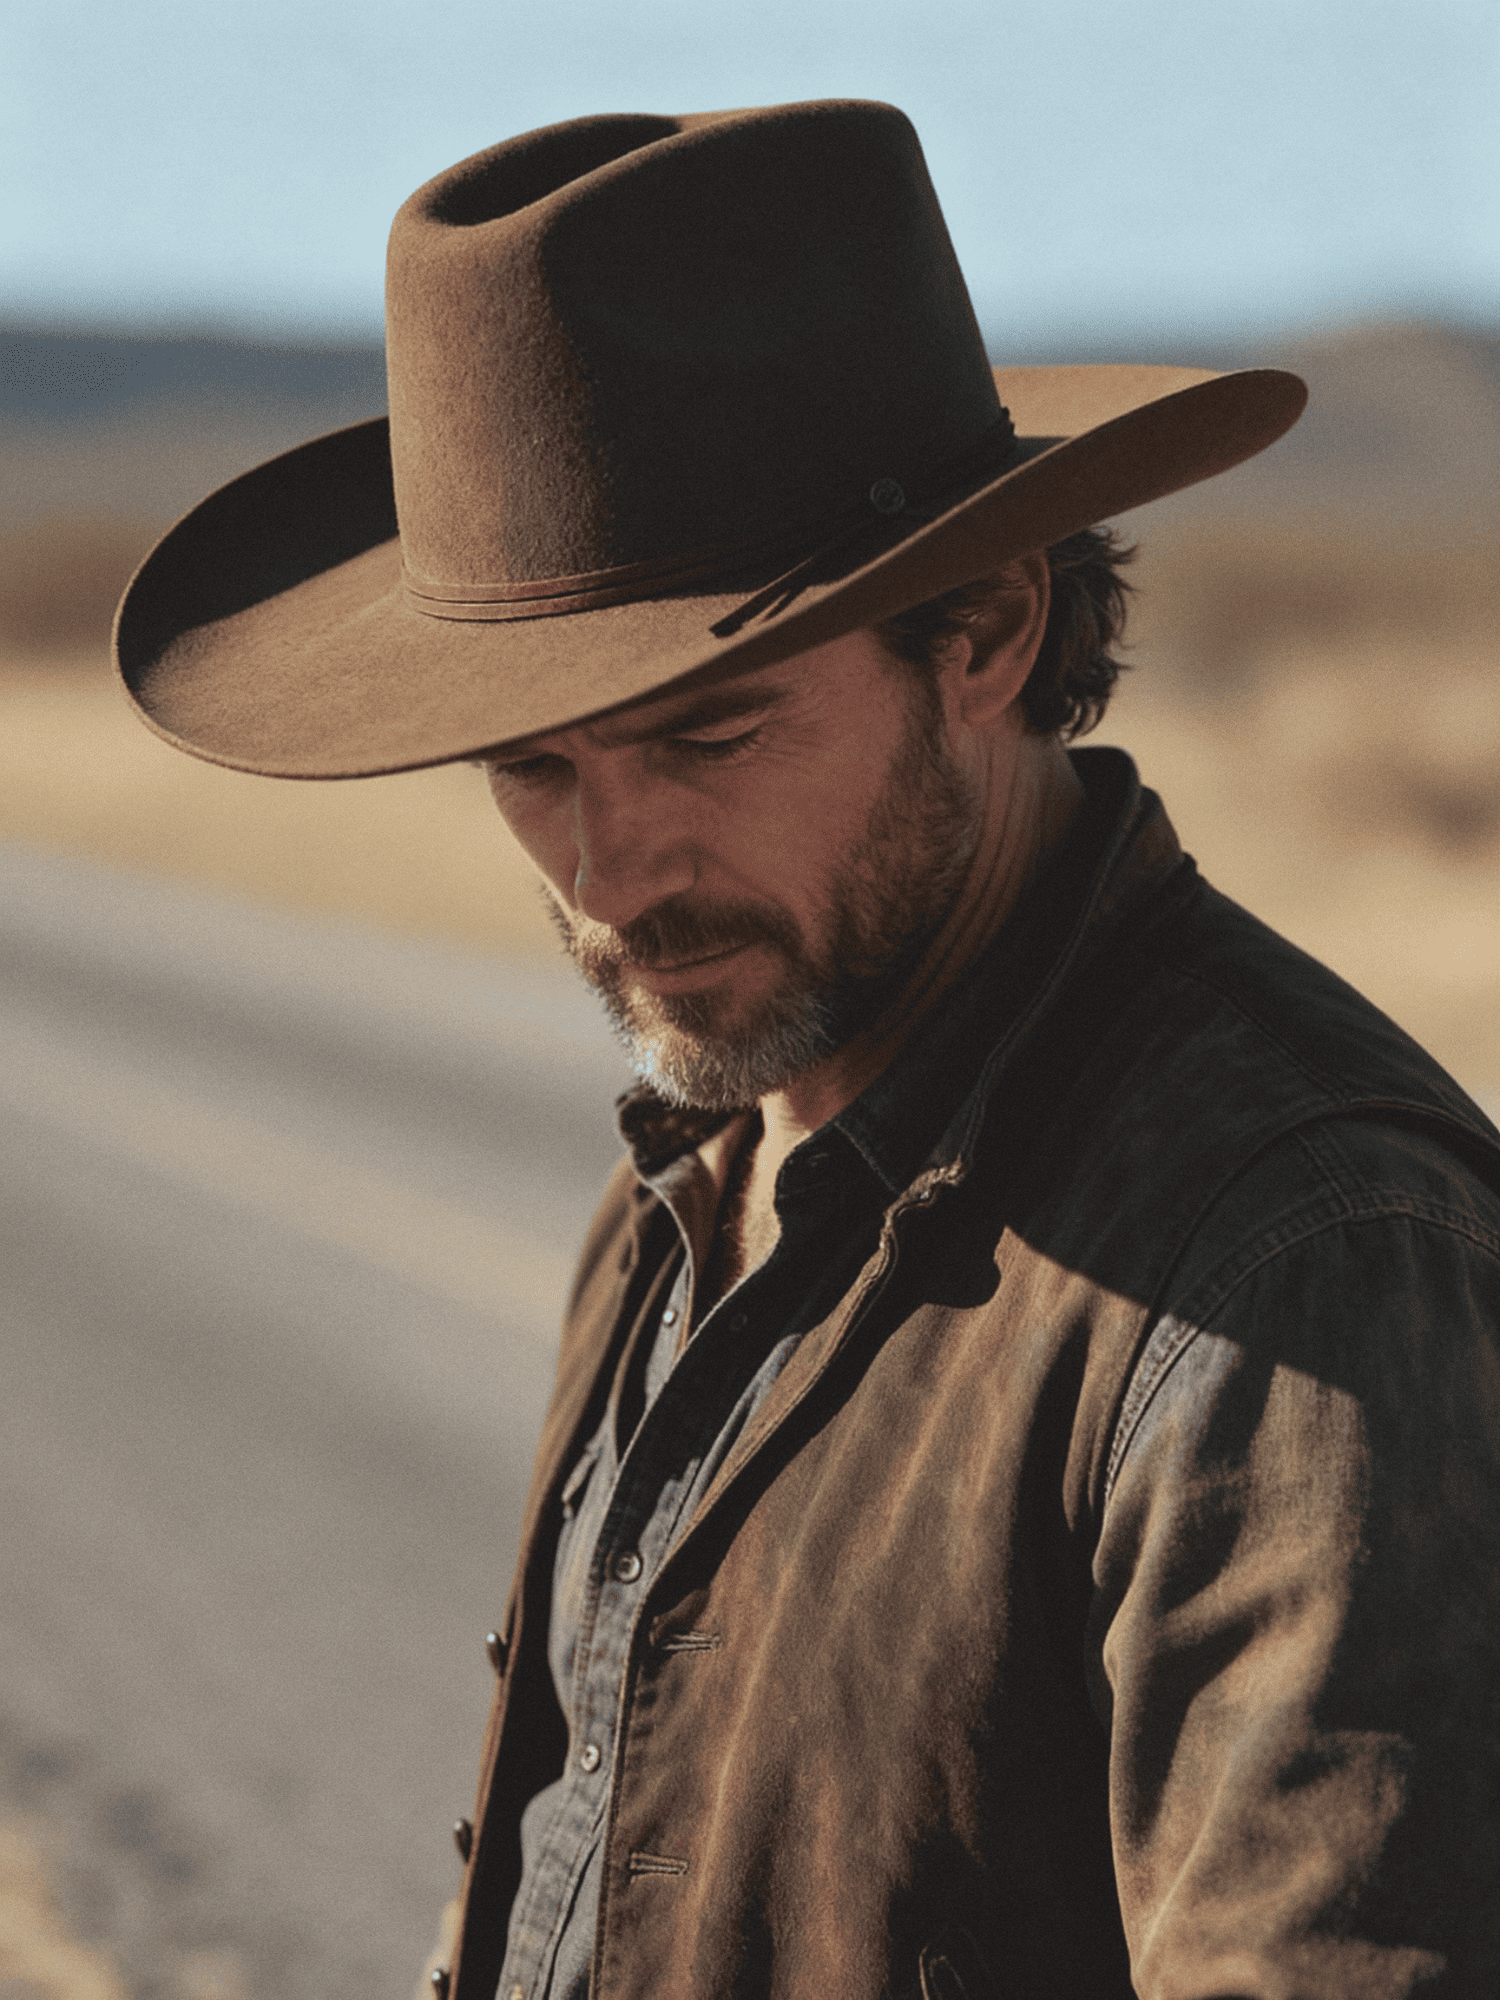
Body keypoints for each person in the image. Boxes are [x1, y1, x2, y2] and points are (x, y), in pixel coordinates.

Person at [115, 100, 1500, 2000]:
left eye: (709, 735)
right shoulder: (700, 1168)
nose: (610, 875)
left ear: (985, 629)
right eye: (529, 764)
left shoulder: (1303, 1262)